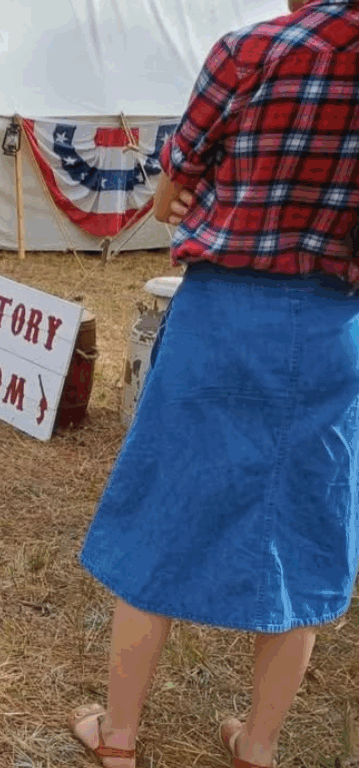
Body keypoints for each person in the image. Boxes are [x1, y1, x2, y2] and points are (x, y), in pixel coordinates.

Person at [70, 2, 359, 768]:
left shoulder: (250, 50)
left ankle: (120, 736)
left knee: (163, 513)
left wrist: (210, 195)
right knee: (305, 537)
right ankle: (257, 746)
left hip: (224, 315)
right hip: (332, 329)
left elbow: (171, 194)